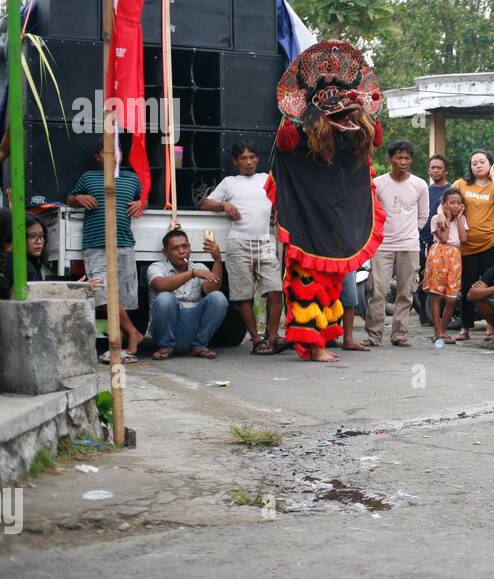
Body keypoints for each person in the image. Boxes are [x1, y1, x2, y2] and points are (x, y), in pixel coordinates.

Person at [267, 41, 387, 363]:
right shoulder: (298, 141)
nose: (345, 119)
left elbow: (367, 147)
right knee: (307, 284)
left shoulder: (348, 145)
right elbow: (283, 155)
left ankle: (324, 338)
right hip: (308, 228)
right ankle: (312, 344)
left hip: (333, 230)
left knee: (330, 287)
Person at [65, 138, 145, 363]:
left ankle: (120, 340)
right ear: (98, 157)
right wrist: (78, 198)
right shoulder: (88, 178)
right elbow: (69, 199)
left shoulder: (131, 179)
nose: (112, 155)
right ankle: (133, 333)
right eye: (106, 151)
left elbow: (143, 199)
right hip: (95, 244)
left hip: (124, 244)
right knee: (103, 294)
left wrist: (141, 204)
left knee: (123, 297)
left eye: (115, 150)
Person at [203, 139, 284, 355]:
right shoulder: (230, 182)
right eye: (243, 158)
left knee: (275, 291)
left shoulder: (267, 179)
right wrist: (224, 204)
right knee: (243, 296)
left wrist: (277, 210)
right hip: (238, 243)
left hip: (265, 241)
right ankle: (256, 339)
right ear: (235, 161)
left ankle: (273, 336)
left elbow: (280, 200)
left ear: (257, 159)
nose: (248, 162)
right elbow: (206, 203)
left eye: (251, 157)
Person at [364, 140, 428, 347]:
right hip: (382, 244)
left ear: (411, 160)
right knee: (378, 290)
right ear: (391, 159)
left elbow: (423, 215)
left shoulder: (419, 184)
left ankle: (399, 334)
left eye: (407, 158)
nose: (403, 161)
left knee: (405, 291)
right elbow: (371, 210)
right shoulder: (379, 183)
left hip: (409, 244)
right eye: (399, 157)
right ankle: (374, 335)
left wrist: (410, 232)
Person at [145, 228, 229, 359]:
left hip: (193, 329)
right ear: (165, 252)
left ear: (190, 248)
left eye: (185, 246)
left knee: (219, 298)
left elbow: (211, 290)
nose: (181, 251)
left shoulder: (199, 267)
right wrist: (191, 273)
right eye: (175, 248)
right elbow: (161, 285)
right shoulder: (156, 267)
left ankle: (200, 346)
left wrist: (217, 259)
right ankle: (165, 347)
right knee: (165, 298)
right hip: (169, 329)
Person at [452, 149, 494, 341]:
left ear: (490, 164)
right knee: (468, 287)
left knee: (491, 285)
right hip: (466, 245)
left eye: (482, 162)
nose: (477, 165)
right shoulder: (461, 184)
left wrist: (493, 175)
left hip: (489, 243)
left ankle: (493, 326)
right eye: (474, 162)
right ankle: (465, 328)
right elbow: (447, 202)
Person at [422, 186, 468, 347]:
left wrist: (460, 218)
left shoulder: (462, 219)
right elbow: (444, 237)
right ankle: (437, 332)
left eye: (458, 203)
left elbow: (463, 238)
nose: (455, 206)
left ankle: (443, 329)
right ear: (444, 204)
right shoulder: (437, 219)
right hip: (439, 255)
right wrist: (446, 217)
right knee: (436, 294)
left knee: (452, 298)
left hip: (455, 256)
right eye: (452, 203)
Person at [416, 153, 450, 325]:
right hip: (423, 241)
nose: (435, 171)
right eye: (432, 168)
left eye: (439, 168)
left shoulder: (451, 191)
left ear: (446, 171)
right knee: (423, 277)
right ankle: (424, 316)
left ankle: (442, 317)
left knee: (442, 279)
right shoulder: (424, 190)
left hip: (444, 242)